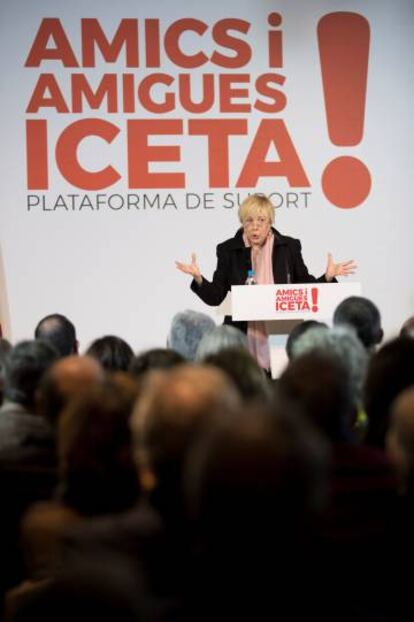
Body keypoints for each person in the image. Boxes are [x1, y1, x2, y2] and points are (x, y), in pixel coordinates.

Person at [176, 193, 356, 371]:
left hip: (281, 332)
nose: (255, 227)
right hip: (241, 334)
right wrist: (199, 278)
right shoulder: (228, 250)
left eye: (261, 220)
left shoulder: (289, 247)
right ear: (242, 223)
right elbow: (217, 296)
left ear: (270, 222)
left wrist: (327, 277)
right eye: (249, 220)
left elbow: (304, 286)